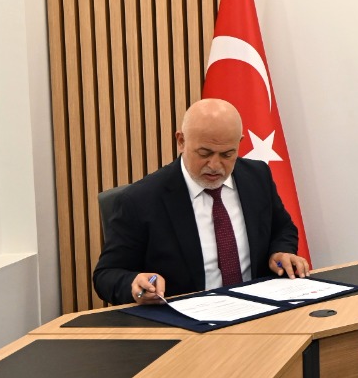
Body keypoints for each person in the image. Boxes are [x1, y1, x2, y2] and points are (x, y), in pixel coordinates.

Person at [94, 98, 309, 305]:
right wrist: (134, 283)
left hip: (259, 309)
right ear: (181, 141)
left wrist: (280, 252)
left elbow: (283, 229)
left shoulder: (257, 176)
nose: (215, 165)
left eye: (227, 154)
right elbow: (107, 274)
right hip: (185, 319)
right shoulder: (141, 199)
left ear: (239, 144)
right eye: (205, 153)